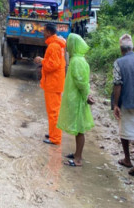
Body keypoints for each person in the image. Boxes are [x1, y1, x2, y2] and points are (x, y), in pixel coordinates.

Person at [56, 33, 95, 167]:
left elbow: (81, 82)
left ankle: (78, 159)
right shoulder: (79, 59)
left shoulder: (76, 61)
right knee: (78, 128)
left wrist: (86, 96)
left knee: (79, 129)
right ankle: (77, 153)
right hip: (78, 98)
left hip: (78, 99)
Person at [112, 34, 134, 178]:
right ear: (133, 48)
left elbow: (118, 84)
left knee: (124, 130)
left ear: (121, 50)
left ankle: (127, 159)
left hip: (126, 102)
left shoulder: (119, 62)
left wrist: (115, 104)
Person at [34, 23, 66, 145]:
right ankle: (53, 134)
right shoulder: (57, 45)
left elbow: (52, 65)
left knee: (53, 112)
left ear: (48, 32)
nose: (43, 33)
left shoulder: (53, 46)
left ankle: (55, 138)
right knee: (53, 111)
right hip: (55, 82)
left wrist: (42, 61)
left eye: (44, 31)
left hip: (53, 83)